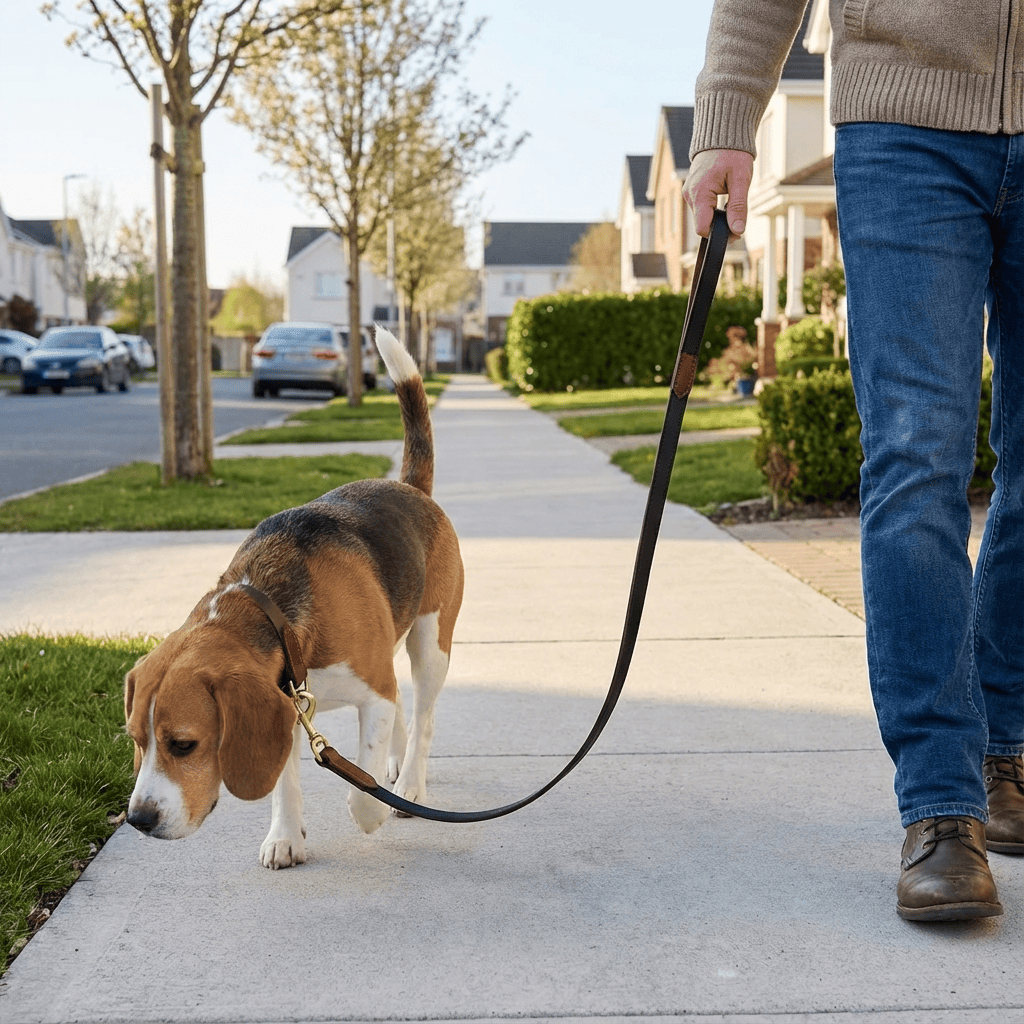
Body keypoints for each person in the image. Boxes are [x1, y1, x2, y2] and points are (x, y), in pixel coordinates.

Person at [684, 0, 1022, 922]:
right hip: (903, 119)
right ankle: (942, 809)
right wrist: (726, 118)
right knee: (917, 458)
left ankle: (1005, 750)